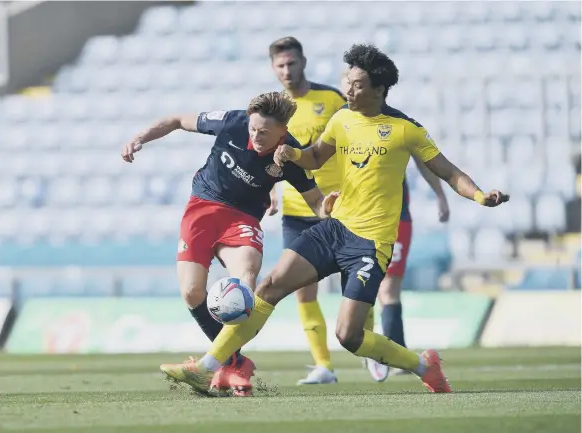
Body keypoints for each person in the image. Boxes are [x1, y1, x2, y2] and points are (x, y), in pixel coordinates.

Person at [160, 44, 509, 396]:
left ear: (379, 89)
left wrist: (480, 195)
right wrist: (292, 154)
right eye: (348, 82)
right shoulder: (341, 118)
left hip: (370, 244)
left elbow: (448, 171)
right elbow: (314, 158)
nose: (349, 90)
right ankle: (208, 368)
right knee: (268, 288)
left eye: (358, 85)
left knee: (349, 336)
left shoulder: (406, 129)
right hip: (333, 229)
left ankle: (423, 366)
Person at [121, 92, 336, 397]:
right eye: (253, 129)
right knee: (192, 292)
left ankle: (221, 365)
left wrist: (330, 208)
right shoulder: (233, 122)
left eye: (264, 133)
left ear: (283, 130)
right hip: (203, 207)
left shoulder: (291, 155)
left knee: (245, 282)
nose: (256, 136)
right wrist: (138, 138)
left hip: (243, 219)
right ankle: (235, 363)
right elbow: (176, 120)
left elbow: (316, 203)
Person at [338, 72, 451, 382]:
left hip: (395, 219)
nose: (350, 90)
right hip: (351, 220)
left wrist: (440, 195)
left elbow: (425, 160)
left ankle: (398, 353)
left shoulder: (398, 127)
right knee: (360, 288)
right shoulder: (341, 125)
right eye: (347, 84)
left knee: (389, 288)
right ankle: (373, 344)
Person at [268, 36, 346, 385]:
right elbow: (266, 154)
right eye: (281, 65)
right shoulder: (274, 110)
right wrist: (269, 190)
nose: (287, 70)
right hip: (296, 209)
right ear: (274, 68)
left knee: (355, 281)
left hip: (339, 206)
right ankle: (324, 365)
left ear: (303, 62)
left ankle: (371, 349)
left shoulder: (331, 99)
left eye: (292, 63)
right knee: (302, 288)